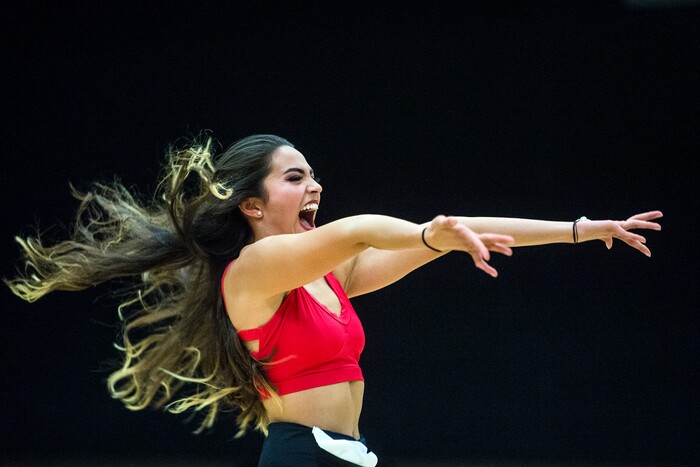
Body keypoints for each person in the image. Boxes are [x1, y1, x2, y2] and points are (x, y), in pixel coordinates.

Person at [5, 134, 662, 466]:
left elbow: (465, 230)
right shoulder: (252, 270)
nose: (315, 185)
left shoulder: (328, 279)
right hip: (303, 455)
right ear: (253, 204)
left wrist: (580, 230)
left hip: (344, 452)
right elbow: (363, 230)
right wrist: (431, 232)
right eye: (296, 177)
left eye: (314, 174)